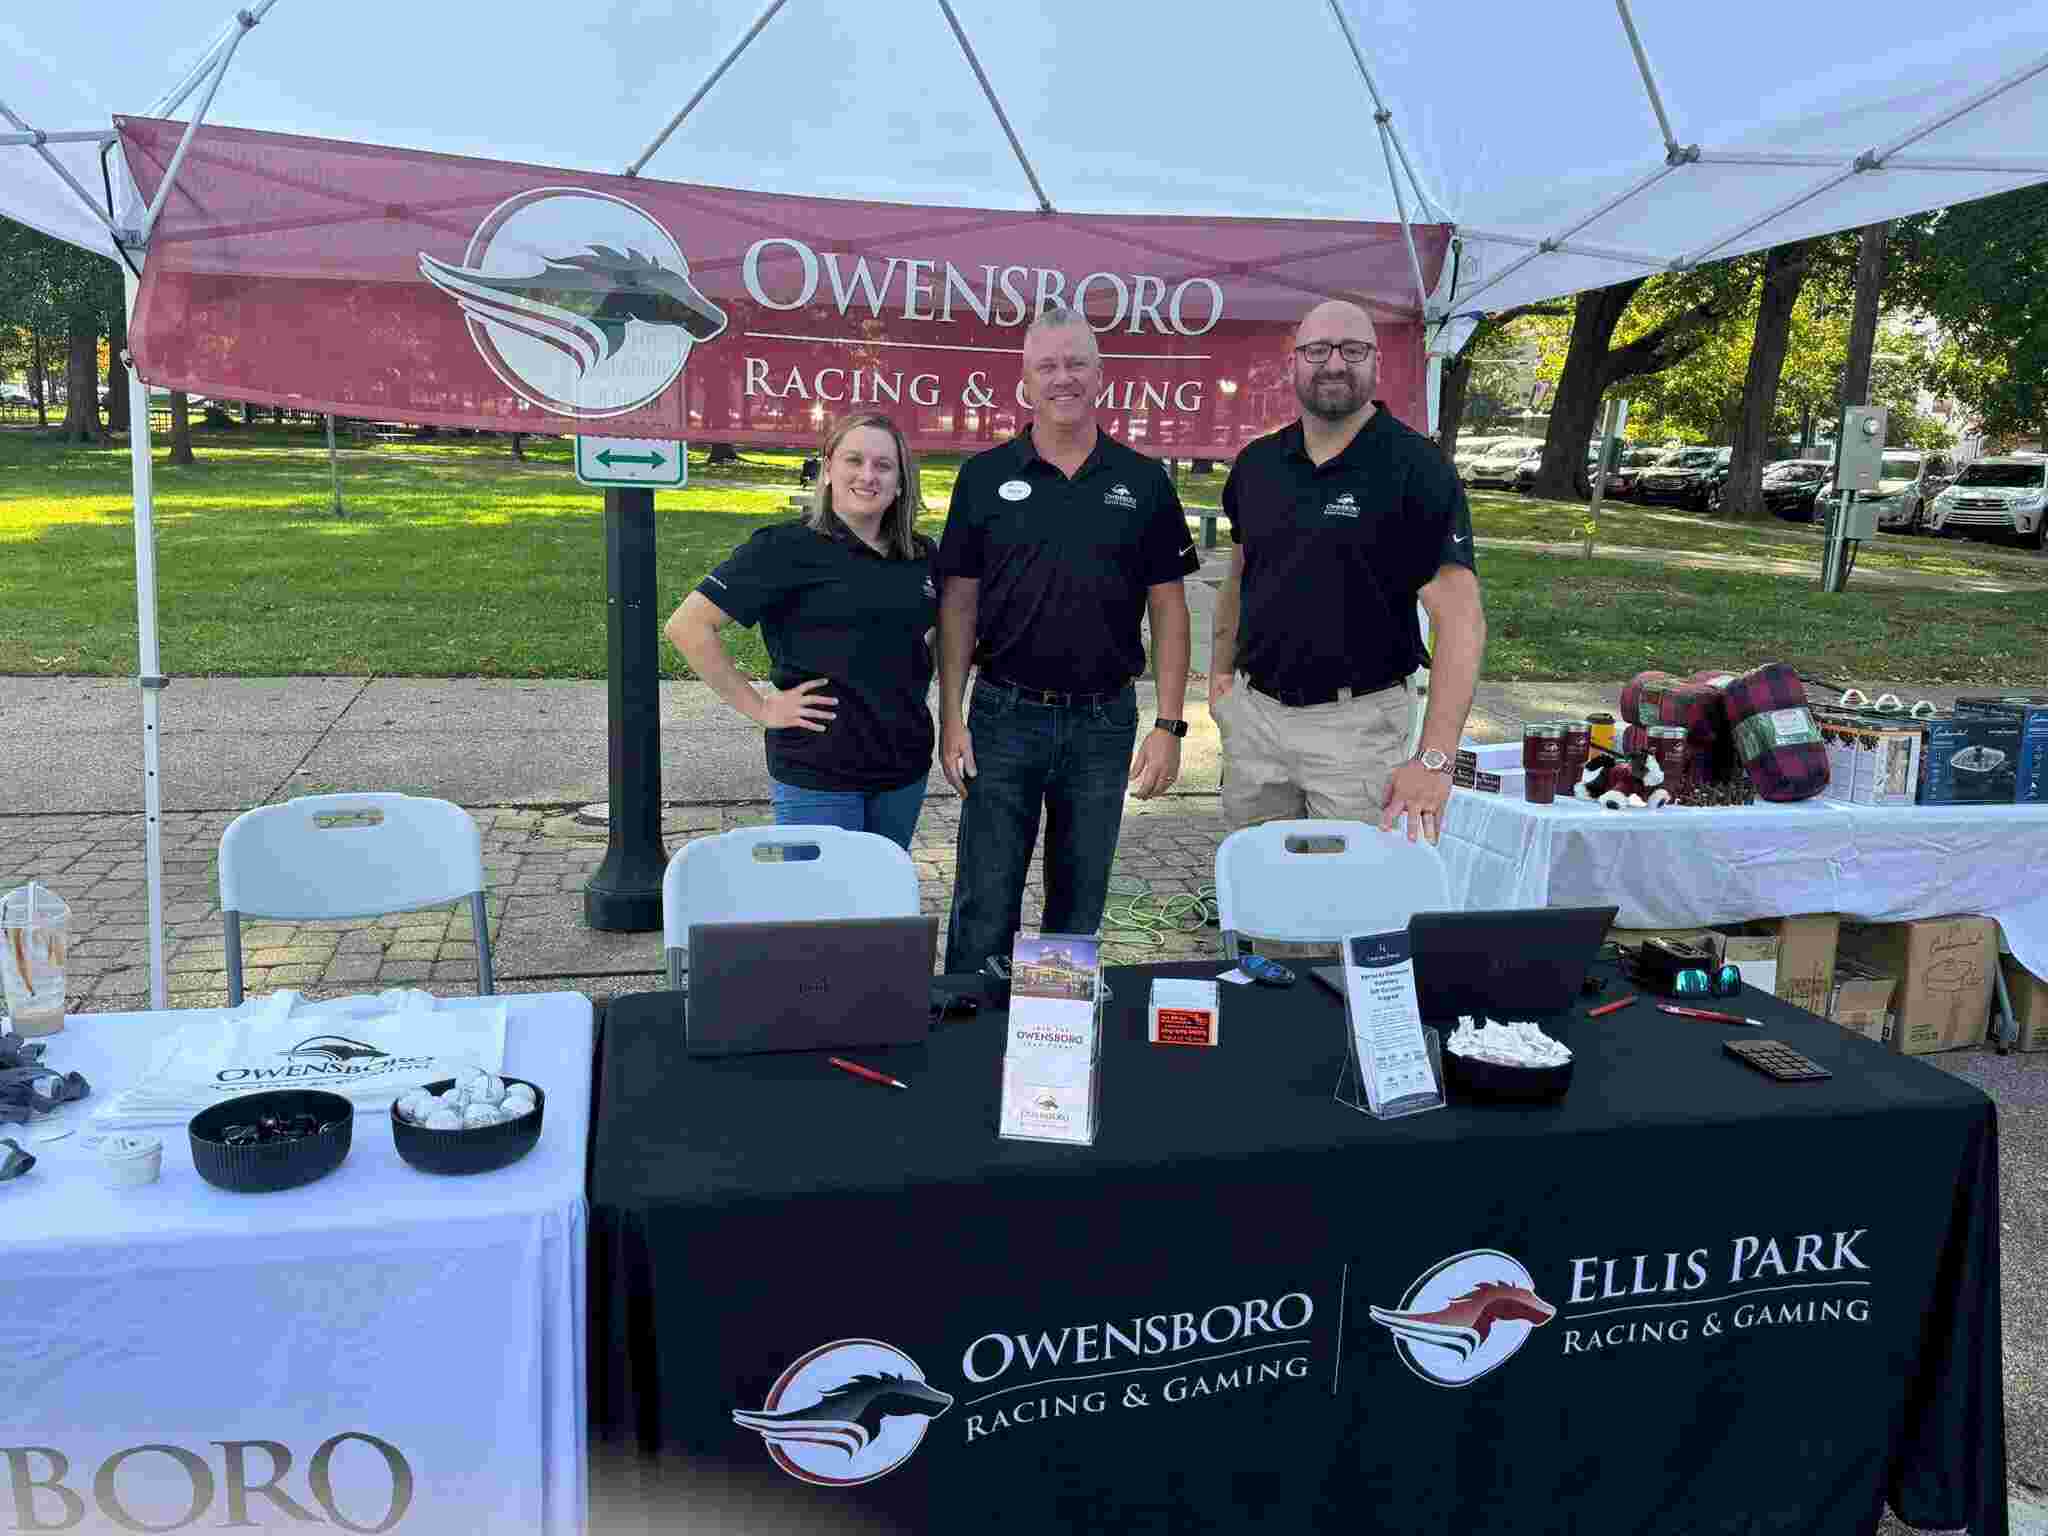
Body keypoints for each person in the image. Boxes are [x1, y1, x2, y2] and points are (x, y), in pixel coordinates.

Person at [935, 304, 1200, 976]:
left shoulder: (1143, 481)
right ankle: (969, 1039)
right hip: (1003, 716)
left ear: (1101, 376)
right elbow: (958, 603)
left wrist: (1170, 724)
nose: (1063, 377)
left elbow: (1170, 609)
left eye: (1076, 362)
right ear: (1025, 382)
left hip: (1103, 723)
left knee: (1077, 906)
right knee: (984, 900)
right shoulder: (985, 476)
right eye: (1047, 365)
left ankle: (1051, 1054)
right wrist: (951, 717)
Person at [1208, 299, 1486, 846]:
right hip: (1255, 721)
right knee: (1261, 900)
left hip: (1356, 729)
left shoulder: (1417, 470)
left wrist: (1434, 760)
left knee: (1344, 913)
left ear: (1376, 364)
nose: (1334, 364)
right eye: (1317, 350)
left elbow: (1462, 622)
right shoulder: (1257, 465)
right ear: (1293, 363)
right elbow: (1239, 579)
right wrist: (1221, 678)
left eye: (1352, 350)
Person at [664, 413, 937, 849]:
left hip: (902, 769)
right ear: (828, 469)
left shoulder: (922, 555)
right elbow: (688, 626)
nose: (868, 476)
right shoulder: (784, 547)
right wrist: (760, 708)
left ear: (901, 482)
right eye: (854, 460)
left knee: (880, 906)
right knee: (821, 910)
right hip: (818, 771)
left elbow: (928, 640)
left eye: (884, 465)